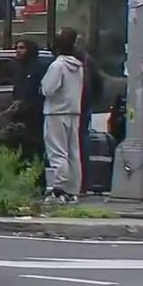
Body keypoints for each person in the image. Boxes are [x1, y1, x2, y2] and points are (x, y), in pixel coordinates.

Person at [40, 29, 86, 204]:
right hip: (74, 111)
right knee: (73, 152)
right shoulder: (78, 66)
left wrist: (42, 87)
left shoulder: (57, 65)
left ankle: (59, 189)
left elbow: (48, 89)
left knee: (57, 151)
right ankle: (73, 190)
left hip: (56, 112)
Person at [57, 27, 104, 193]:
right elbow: (98, 82)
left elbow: (50, 86)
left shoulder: (63, 60)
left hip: (67, 107)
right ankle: (81, 184)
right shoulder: (84, 59)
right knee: (77, 146)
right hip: (81, 105)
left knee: (63, 147)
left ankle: (67, 185)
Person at [5, 39, 48, 168]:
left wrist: (28, 104)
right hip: (20, 115)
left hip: (34, 116)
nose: (18, 51)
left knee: (36, 149)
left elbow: (41, 91)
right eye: (16, 48)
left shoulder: (38, 67)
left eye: (22, 48)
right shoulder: (19, 68)